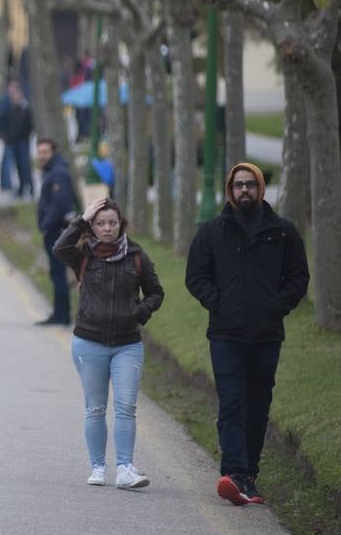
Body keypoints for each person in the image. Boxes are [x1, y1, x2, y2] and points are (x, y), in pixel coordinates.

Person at [185, 162, 309, 507]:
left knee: (257, 408)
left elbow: (299, 277)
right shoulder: (211, 232)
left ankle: (250, 475)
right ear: (229, 190)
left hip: (267, 335)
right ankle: (234, 475)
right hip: (225, 334)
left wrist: (276, 306)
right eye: (238, 185)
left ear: (260, 189)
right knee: (232, 403)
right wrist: (217, 303)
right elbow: (195, 276)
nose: (244, 191)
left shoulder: (282, 232)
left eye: (249, 185)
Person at [54, 197, 164, 490]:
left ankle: (126, 468)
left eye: (112, 223)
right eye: (100, 223)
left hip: (127, 344)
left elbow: (156, 292)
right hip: (89, 342)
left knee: (126, 406)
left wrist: (139, 312)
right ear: (93, 226)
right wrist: (81, 218)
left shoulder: (137, 256)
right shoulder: (83, 254)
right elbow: (59, 248)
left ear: (121, 224)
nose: (107, 228)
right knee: (95, 407)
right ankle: (98, 467)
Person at [36, 136, 78, 325]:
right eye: (39, 152)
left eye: (45, 152)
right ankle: (59, 312)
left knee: (58, 273)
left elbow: (60, 203)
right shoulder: (52, 171)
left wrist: (46, 224)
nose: (42, 156)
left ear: (53, 152)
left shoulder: (58, 173)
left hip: (56, 229)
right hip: (55, 228)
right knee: (56, 273)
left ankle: (61, 314)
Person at [2, 80, 34, 197]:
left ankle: (30, 186)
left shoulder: (25, 110)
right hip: (14, 142)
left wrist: (24, 136)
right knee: (18, 166)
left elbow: (28, 126)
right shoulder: (11, 110)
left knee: (25, 165)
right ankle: (21, 186)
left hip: (23, 142)